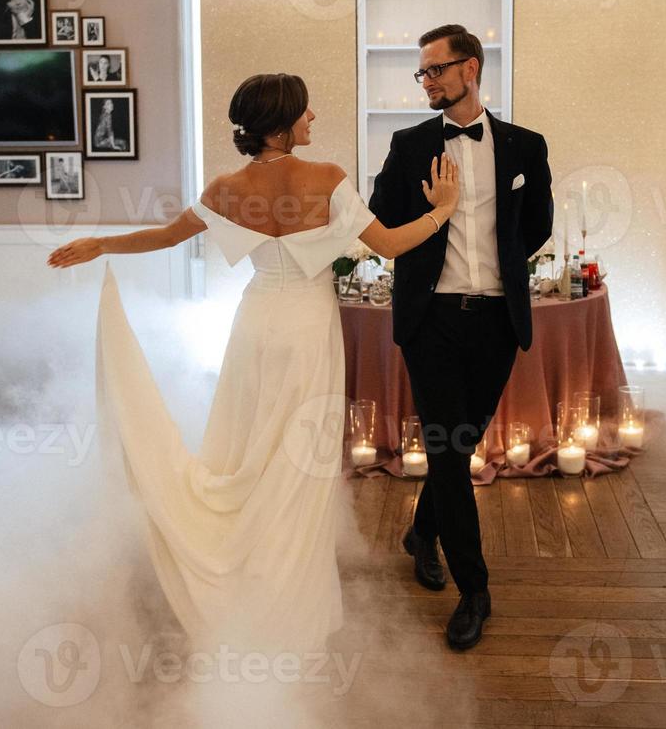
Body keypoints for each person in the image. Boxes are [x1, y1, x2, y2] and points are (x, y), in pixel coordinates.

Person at [47, 72, 461, 656]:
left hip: (254, 326)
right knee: (299, 462)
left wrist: (101, 244)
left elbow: (168, 237)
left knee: (248, 454)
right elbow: (389, 245)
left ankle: (240, 570)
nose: (313, 118)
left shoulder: (226, 186)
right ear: (282, 122)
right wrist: (444, 208)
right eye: (306, 111)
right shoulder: (326, 178)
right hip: (309, 331)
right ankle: (288, 596)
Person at [370, 23, 554, 652]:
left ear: (470, 68)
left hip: (498, 322)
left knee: (461, 444)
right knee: (449, 454)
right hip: (434, 321)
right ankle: (475, 591)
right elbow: (382, 221)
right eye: (421, 72)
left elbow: (537, 227)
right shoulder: (409, 143)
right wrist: (436, 212)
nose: (427, 80)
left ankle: (423, 534)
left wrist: (497, 269)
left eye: (436, 70)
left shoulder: (526, 146)